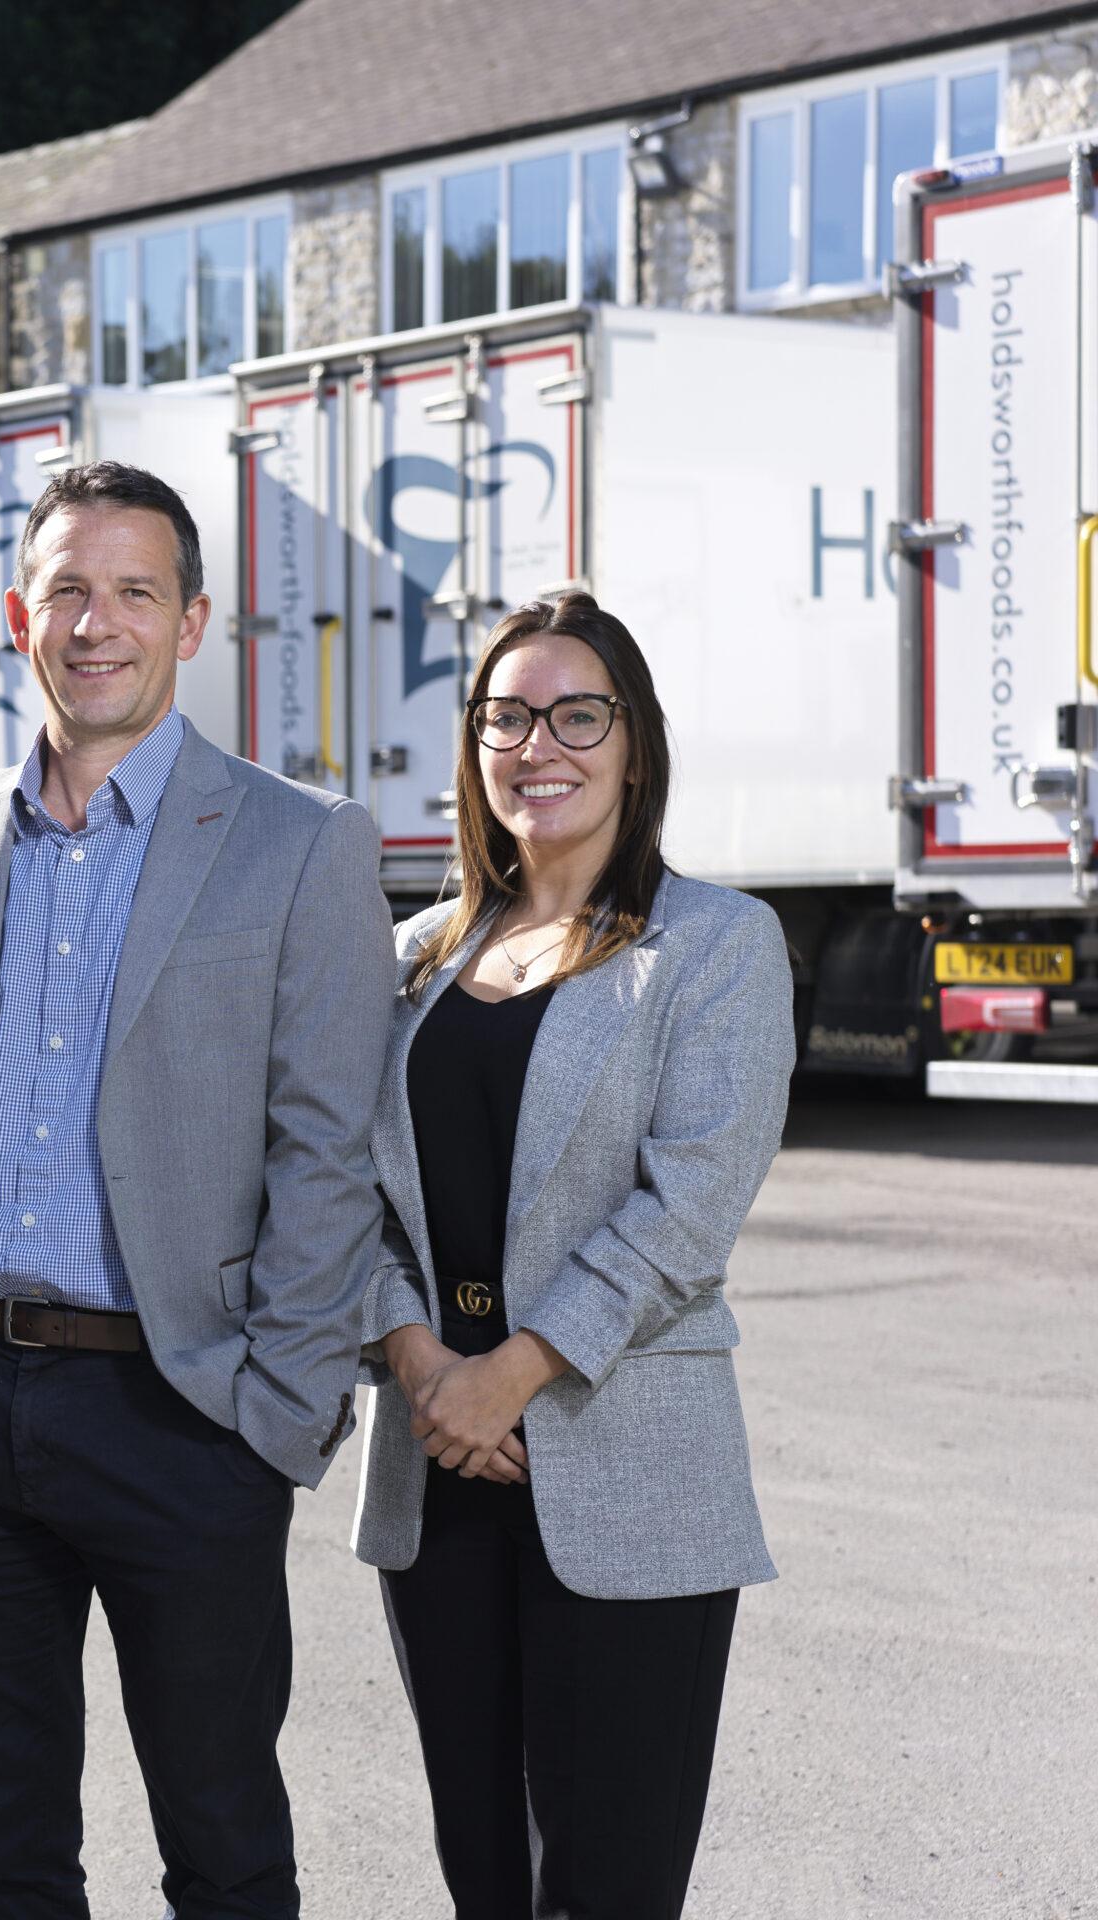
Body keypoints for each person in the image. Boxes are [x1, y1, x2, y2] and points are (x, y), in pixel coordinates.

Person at [0, 460, 396, 1918]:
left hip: (181, 1410)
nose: (97, 623)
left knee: (222, 1834)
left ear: (191, 623)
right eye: (67, 589)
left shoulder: (300, 840)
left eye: (136, 591)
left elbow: (330, 1151)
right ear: (20, 618)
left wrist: (275, 1411)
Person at [352, 590, 795, 1919]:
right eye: (507, 717)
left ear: (634, 747)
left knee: (604, 1889)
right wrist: (424, 1366)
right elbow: (341, 1196)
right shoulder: (409, 961)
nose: (538, 744)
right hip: (440, 1473)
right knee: (484, 1880)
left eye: (577, 715)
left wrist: (512, 1373)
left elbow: (689, 1207)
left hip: (627, 1470)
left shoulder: (715, 946)